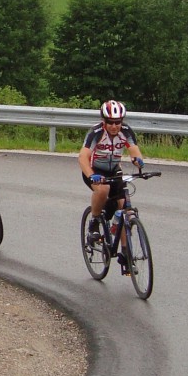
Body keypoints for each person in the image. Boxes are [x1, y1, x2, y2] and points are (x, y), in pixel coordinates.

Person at [79, 99, 145, 275]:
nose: (114, 126)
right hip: (95, 171)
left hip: (114, 172)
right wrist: (91, 174)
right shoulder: (96, 132)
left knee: (125, 208)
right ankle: (94, 222)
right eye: (110, 122)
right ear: (104, 120)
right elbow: (83, 157)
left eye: (118, 122)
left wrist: (137, 160)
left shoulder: (126, 131)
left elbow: (134, 149)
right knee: (103, 190)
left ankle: (125, 253)